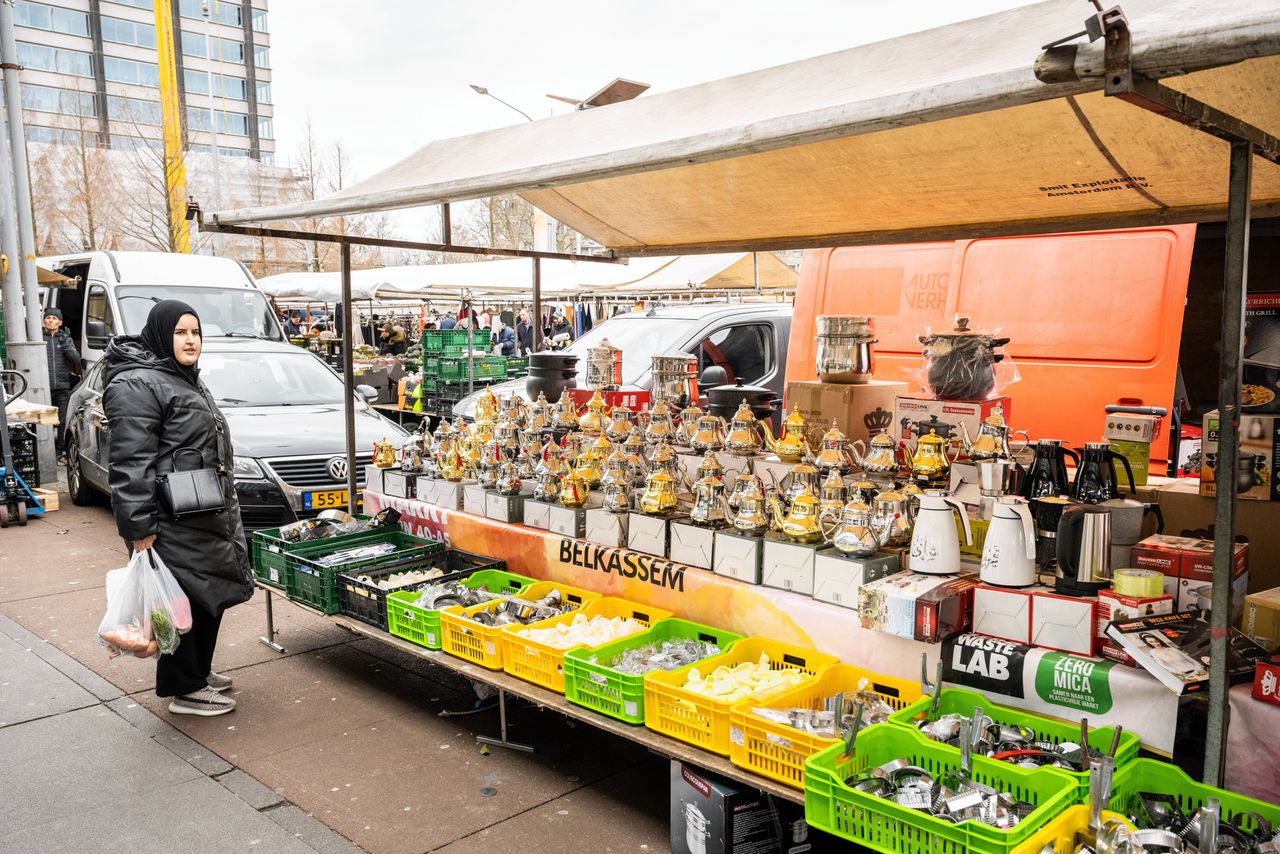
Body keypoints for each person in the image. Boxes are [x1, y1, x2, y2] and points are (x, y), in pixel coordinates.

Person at [103, 300, 252, 717]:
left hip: (200, 508)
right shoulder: (139, 384)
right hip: (173, 517)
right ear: (162, 335)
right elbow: (130, 462)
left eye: (196, 332)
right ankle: (185, 688)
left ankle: (196, 672)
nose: (191, 340)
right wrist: (138, 526)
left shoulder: (179, 377)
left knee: (206, 594)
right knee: (185, 598)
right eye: (181, 332)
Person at [43, 308, 81, 460]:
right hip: (43, 387)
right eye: (48, 317)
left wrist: (66, 343)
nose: (51, 320)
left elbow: (76, 359)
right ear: (44, 320)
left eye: (54, 318)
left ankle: (61, 451)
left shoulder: (65, 339)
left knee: (62, 421)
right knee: (44, 420)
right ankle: (46, 452)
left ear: (60, 322)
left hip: (62, 387)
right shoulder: (38, 338)